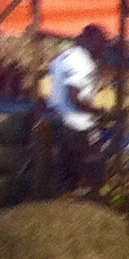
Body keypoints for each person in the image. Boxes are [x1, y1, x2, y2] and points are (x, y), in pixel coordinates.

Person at [46, 24, 113, 196]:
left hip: (59, 120)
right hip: (77, 125)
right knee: (92, 174)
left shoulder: (64, 56)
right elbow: (74, 96)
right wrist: (99, 112)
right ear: (90, 41)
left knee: (65, 177)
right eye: (101, 42)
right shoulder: (82, 62)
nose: (103, 47)